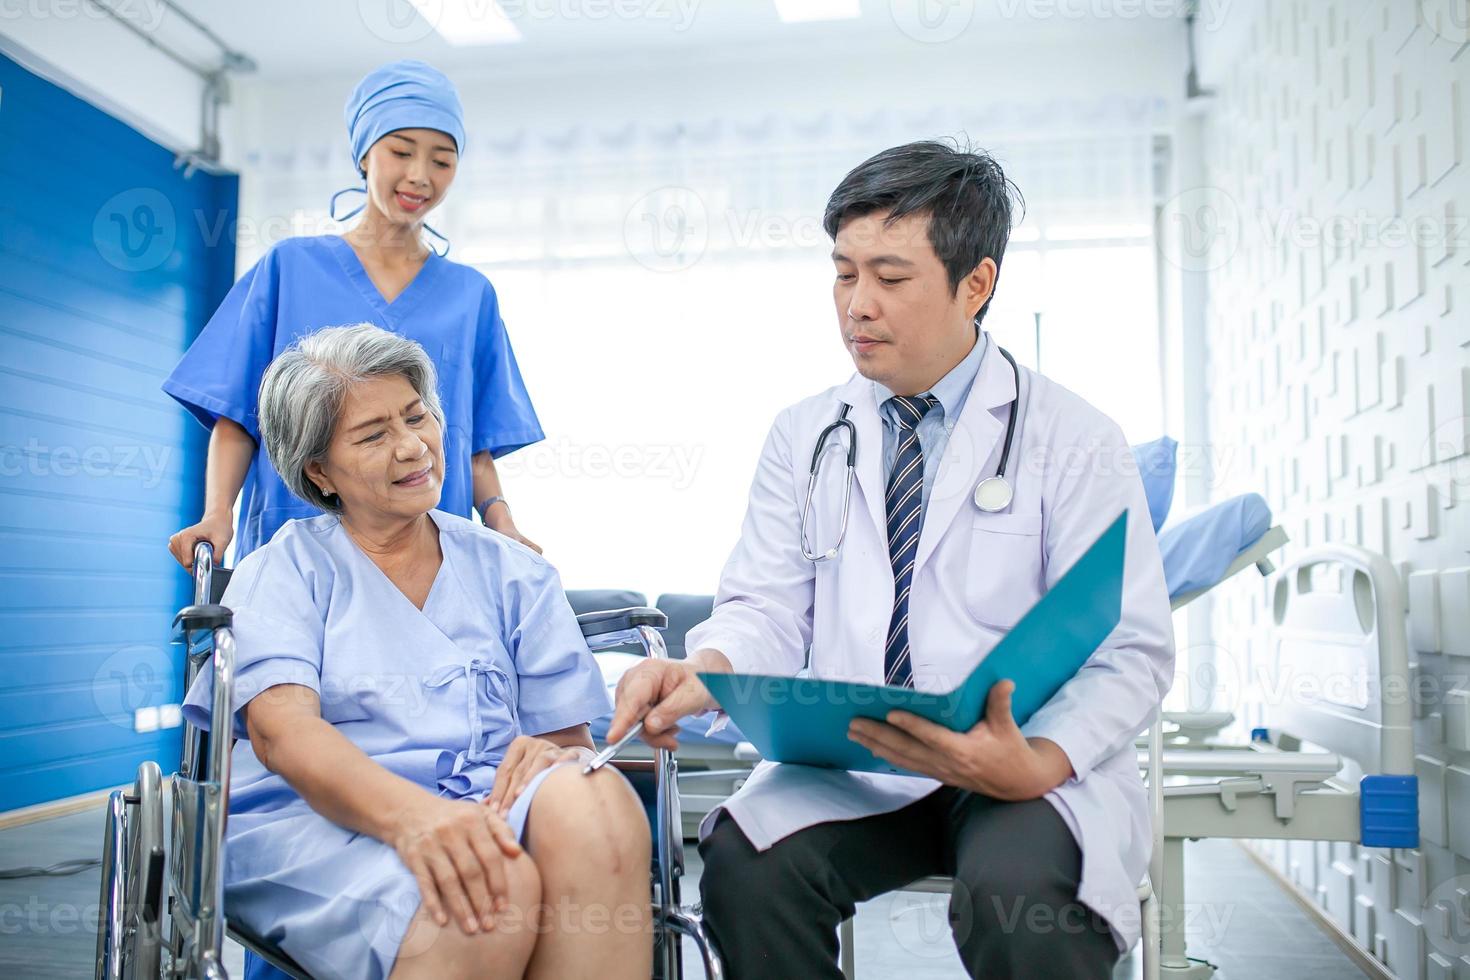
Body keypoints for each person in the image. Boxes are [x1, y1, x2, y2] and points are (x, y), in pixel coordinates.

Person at [606, 141, 1175, 979]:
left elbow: (1132, 647)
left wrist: (1039, 761)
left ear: (975, 284)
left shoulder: (1075, 438)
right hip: (860, 761)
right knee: (747, 868)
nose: (856, 305)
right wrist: (711, 668)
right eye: (843, 273)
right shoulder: (805, 434)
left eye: (891, 277)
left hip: (1022, 763)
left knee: (1019, 898)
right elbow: (764, 604)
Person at [183, 324, 651, 980]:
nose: (412, 447)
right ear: (320, 470)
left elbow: (565, 741)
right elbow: (281, 736)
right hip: (311, 820)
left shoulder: (512, 572)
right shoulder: (287, 569)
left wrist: (556, 756)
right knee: (490, 889)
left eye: (417, 416)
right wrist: (418, 821)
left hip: (485, 808)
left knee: (597, 800)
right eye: (374, 435)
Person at [165, 59, 542, 571]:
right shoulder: (289, 267)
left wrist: (502, 523)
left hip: (426, 551)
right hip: (296, 536)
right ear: (365, 156)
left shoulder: (471, 295)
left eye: (442, 160)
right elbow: (238, 415)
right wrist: (217, 516)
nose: (419, 176)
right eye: (401, 151)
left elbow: (473, 444)